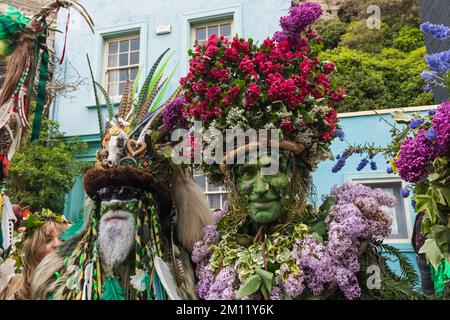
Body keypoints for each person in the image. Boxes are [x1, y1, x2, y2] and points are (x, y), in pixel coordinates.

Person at [177, 2, 421, 300]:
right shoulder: (210, 255)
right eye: (248, 173)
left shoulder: (338, 244)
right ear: (233, 183)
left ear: (296, 174)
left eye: (273, 169)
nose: (261, 187)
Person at [31, 53, 212, 300]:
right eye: (106, 194)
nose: (114, 201)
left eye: (126, 193)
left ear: (149, 207)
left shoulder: (185, 271)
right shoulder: (59, 275)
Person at [0, 209, 67, 299]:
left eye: (62, 238)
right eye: (48, 240)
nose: (58, 244)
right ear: (34, 252)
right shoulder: (13, 288)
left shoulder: (77, 284)